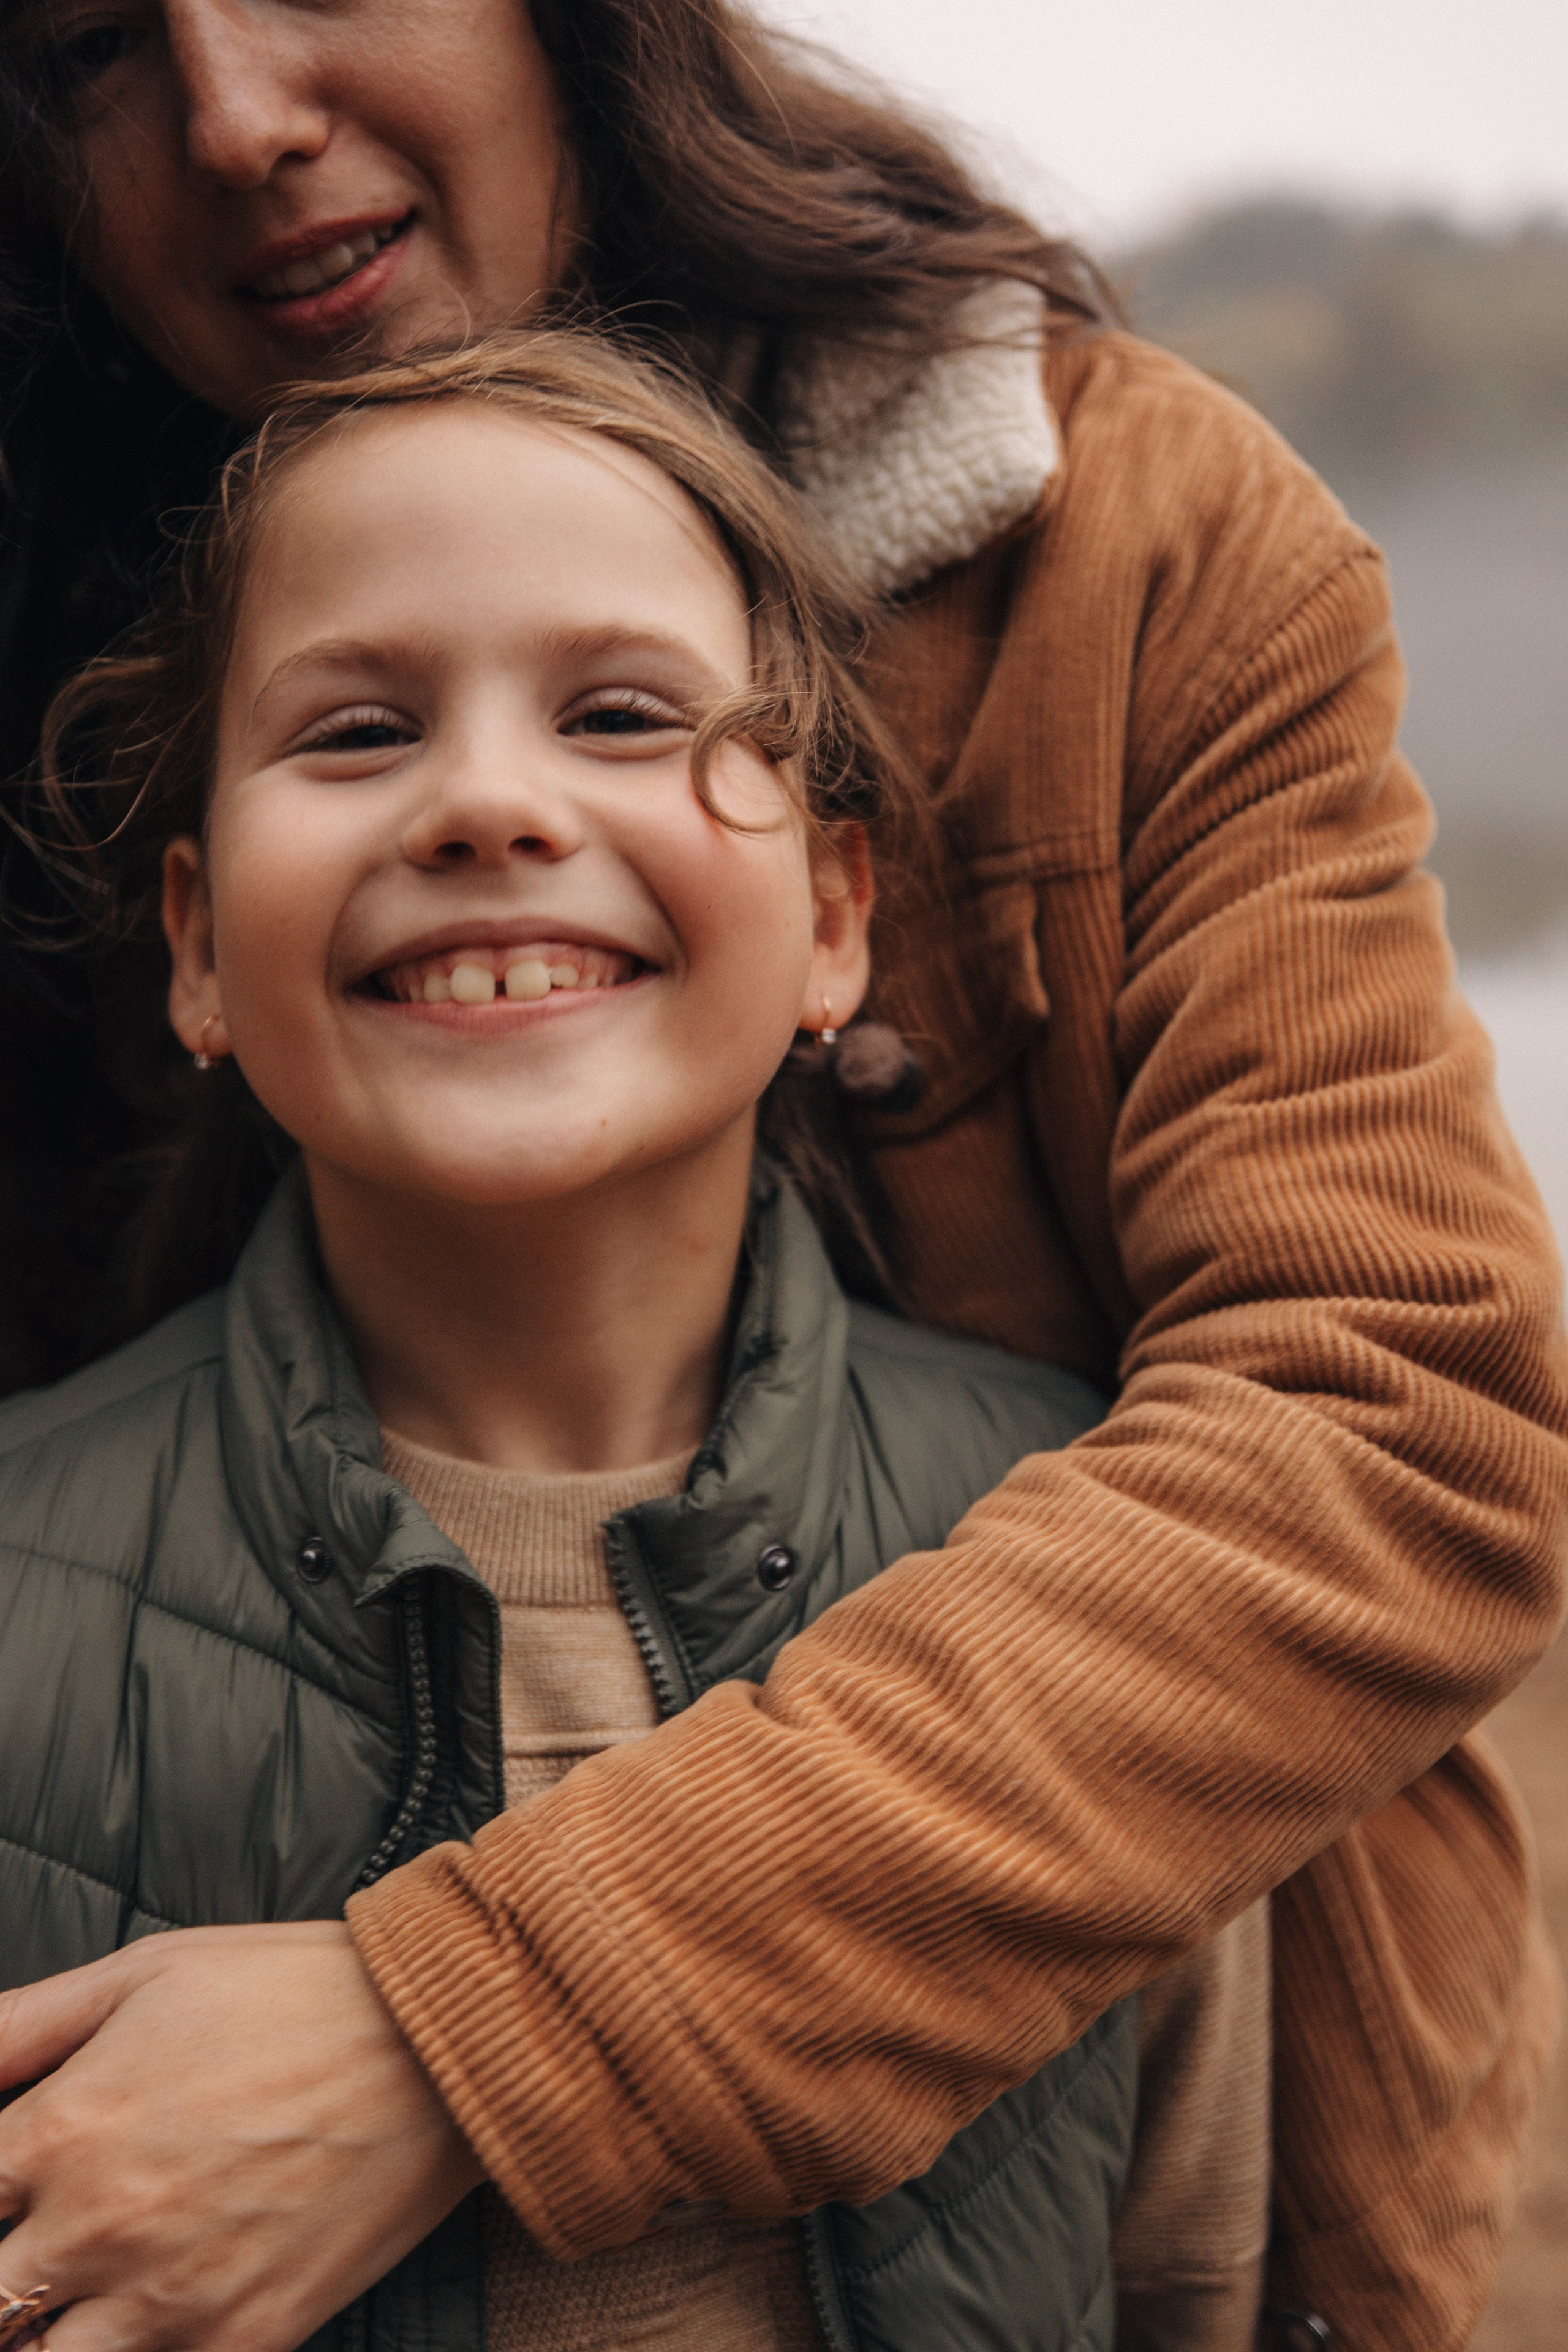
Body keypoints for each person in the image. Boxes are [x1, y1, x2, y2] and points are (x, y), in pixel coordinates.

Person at [0, 5, 1561, 2348]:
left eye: (627, 711)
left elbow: (1403, 1413)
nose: (234, 115)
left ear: (844, 893)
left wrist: (472, 2034)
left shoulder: (1137, 547)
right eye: (89, 45)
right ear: (183, 917)